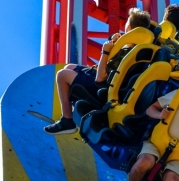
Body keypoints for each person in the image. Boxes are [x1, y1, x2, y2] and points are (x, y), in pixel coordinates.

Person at [44, 8, 153, 136]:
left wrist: (105, 52)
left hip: (103, 86)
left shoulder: (126, 53)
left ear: (128, 26)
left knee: (62, 75)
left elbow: (100, 78)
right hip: (111, 81)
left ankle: (67, 121)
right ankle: (71, 109)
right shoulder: (140, 48)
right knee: (70, 67)